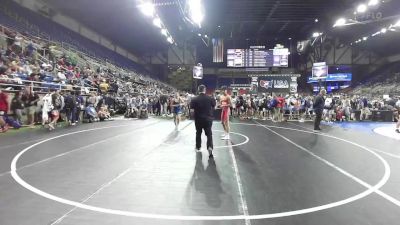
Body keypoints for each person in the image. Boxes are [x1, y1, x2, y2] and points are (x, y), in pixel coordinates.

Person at [190, 85, 216, 157]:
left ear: (198, 90)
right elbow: (214, 107)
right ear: (205, 90)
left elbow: (192, 110)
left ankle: (198, 147)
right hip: (208, 119)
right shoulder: (210, 98)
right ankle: (210, 147)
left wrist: (194, 116)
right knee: (209, 134)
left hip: (198, 119)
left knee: (198, 133)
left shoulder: (194, 99)